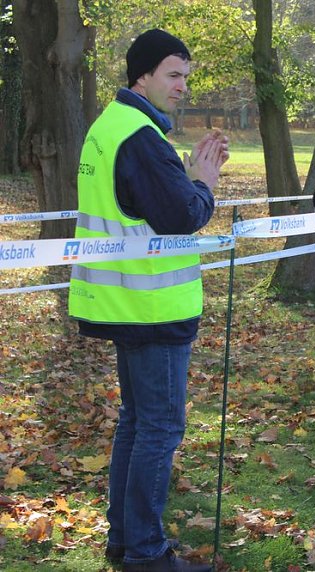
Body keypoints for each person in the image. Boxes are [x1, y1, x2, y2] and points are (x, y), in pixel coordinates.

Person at [68, 30, 228, 572]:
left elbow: (142, 203)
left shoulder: (110, 126)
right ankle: (144, 552)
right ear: (142, 76)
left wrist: (182, 180)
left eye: (186, 75)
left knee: (136, 423)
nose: (183, 86)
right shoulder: (139, 134)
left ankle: (126, 539)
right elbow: (181, 216)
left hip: (123, 303)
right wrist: (203, 181)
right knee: (159, 427)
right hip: (152, 309)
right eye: (173, 75)